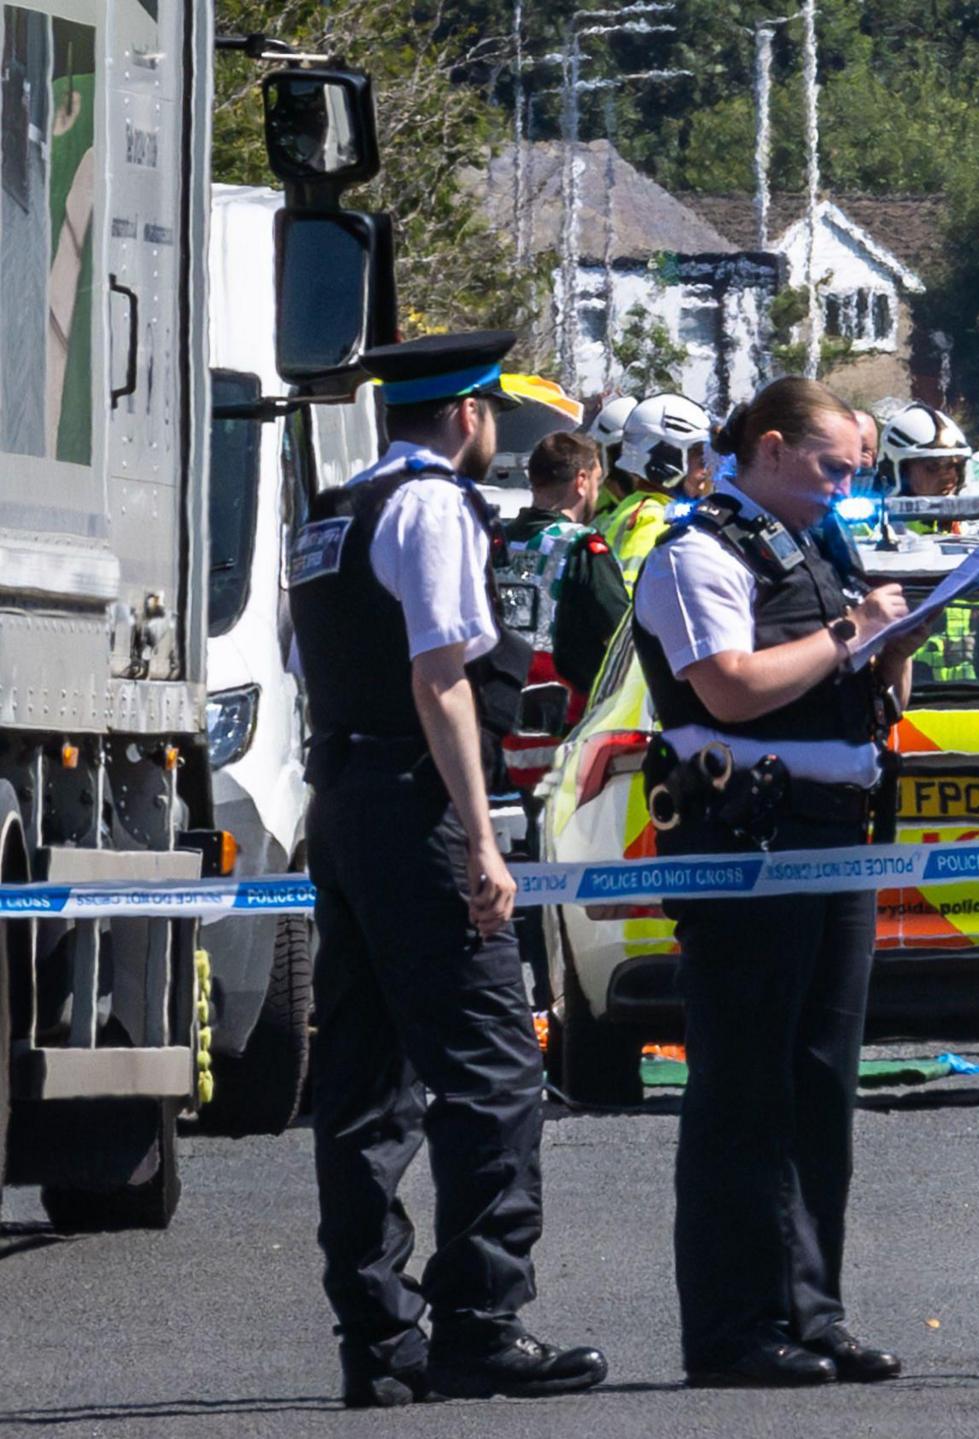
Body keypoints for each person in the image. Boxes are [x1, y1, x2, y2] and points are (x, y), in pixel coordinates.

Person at [285, 330, 606, 1408]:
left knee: (367, 1085)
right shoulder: (430, 508)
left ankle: (377, 1340)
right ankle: (479, 1321)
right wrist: (481, 836)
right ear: (467, 415)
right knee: (492, 1070)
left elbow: (318, 670)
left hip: (344, 799)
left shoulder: (332, 512)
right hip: (414, 805)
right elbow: (441, 677)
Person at [630, 377, 924, 1387]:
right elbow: (730, 686)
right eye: (831, 465)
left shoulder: (820, 545)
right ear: (766, 449)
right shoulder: (697, 550)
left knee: (818, 1086)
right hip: (746, 836)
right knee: (742, 1087)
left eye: (854, 468)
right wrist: (851, 633)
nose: (847, 485)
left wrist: (892, 649)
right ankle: (733, 1325)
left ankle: (811, 1307)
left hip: (833, 833)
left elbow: (865, 693)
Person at [495, 431, 632, 701]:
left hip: (498, 710)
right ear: (581, 480)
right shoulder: (584, 549)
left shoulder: (496, 543)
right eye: (597, 480)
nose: (598, 490)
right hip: (565, 719)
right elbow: (621, 636)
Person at [601, 392, 714, 582]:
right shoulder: (653, 517)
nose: (707, 470)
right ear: (668, 457)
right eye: (700, 459)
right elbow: (630, 593)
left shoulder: (633, 506)